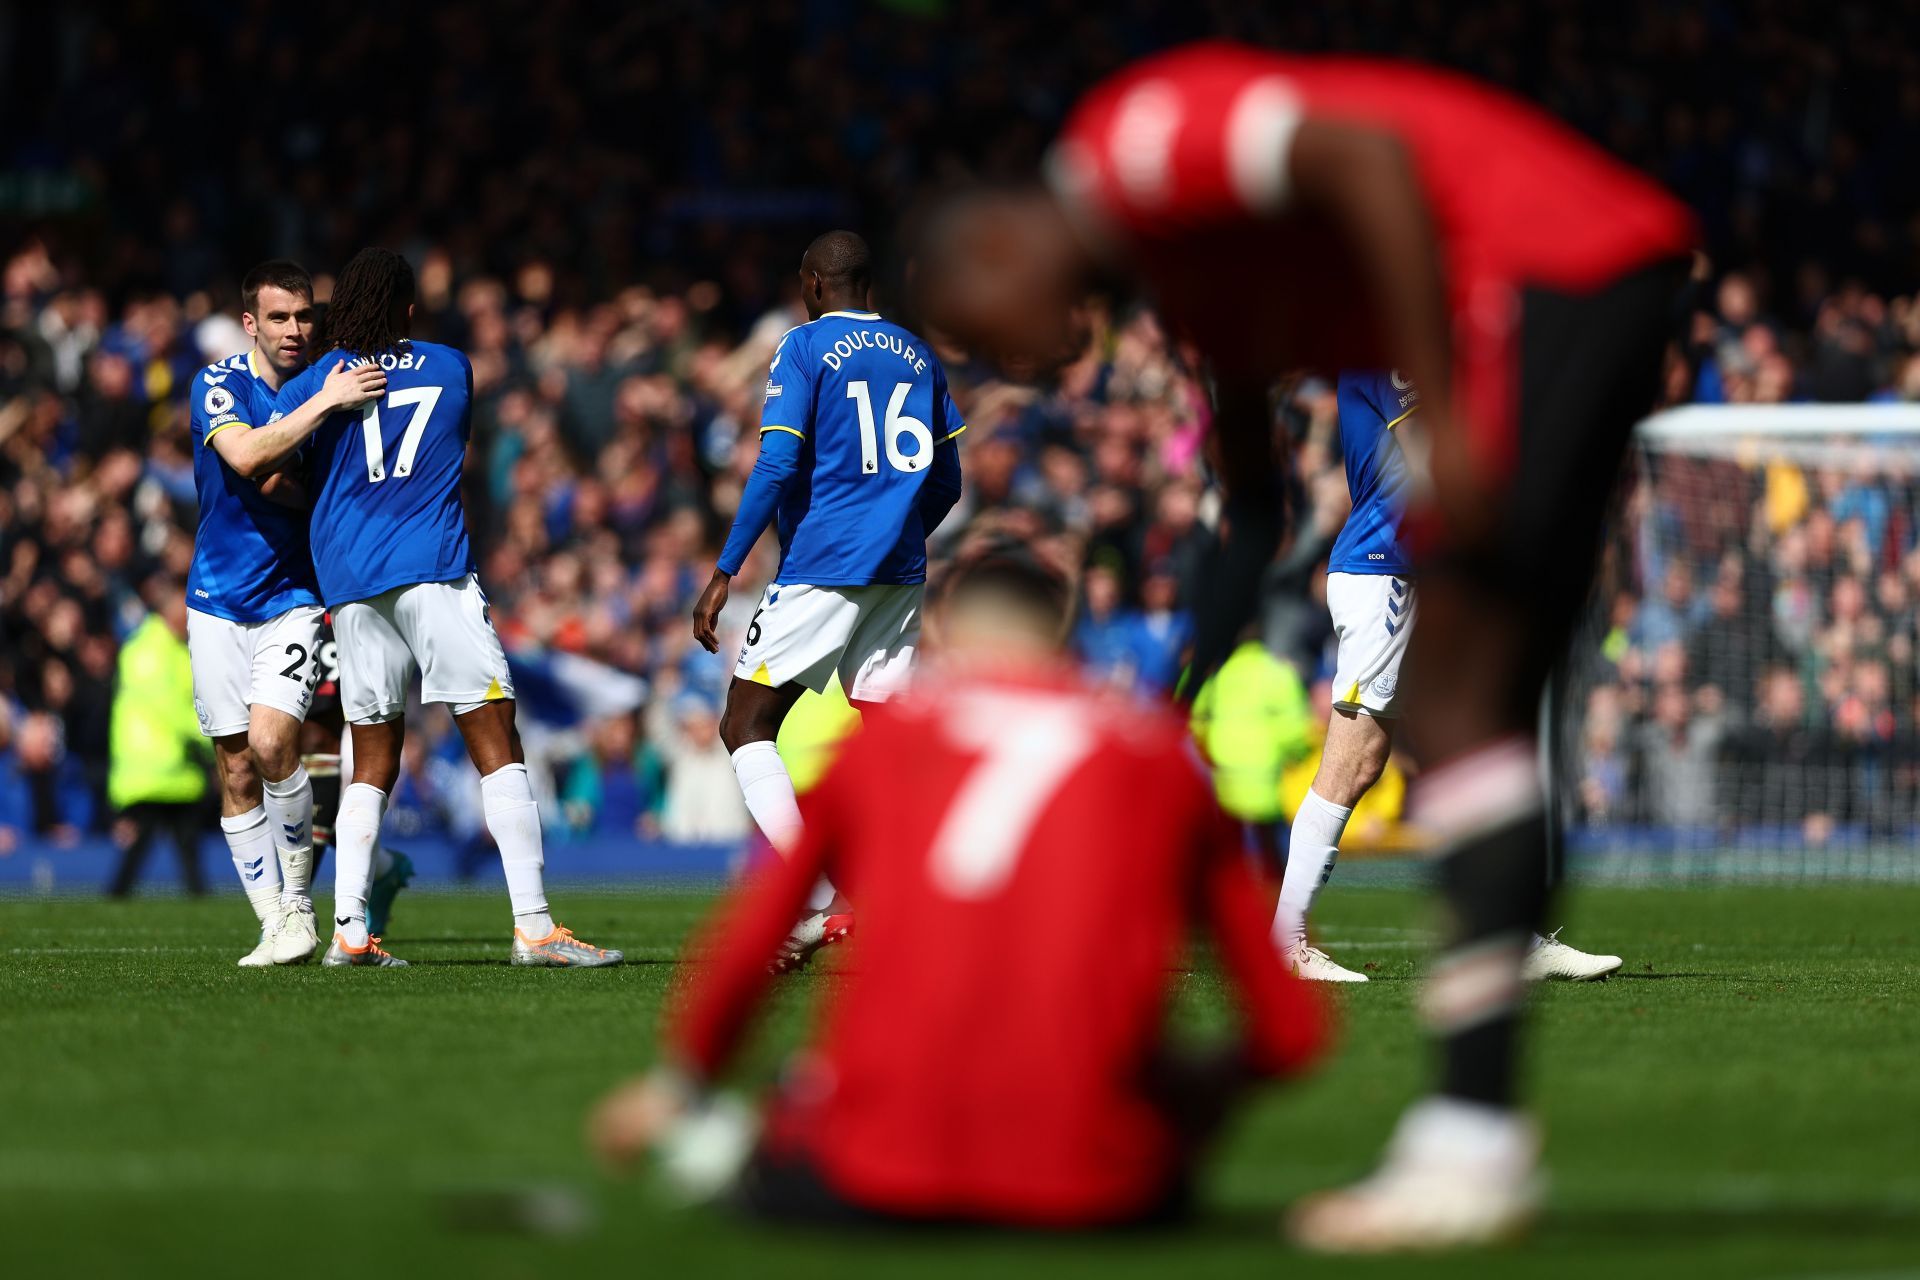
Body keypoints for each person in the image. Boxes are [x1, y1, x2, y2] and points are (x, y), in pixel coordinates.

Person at [919, 41, 1695, 1249]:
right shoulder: (1194, 286)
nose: (1019, 364)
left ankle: (1471, 1141)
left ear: (993, 248)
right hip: (1584, 273)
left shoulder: (1133, 142)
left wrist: (1439, 419)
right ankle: (1473, 1135)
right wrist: (1174, 688)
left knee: (1457, 708)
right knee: (1468, 719)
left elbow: (1370, 156)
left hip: (1550, 263)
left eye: (990, 334)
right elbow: (1253, 508)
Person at [594, 552, 1327, 1227]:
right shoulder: (1159, 757)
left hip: (882, 1173)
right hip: (1100, 1183)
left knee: (795, 1096)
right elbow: (1289, 1031)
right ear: (1066, 638)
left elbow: (753, 934)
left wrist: (681, 1085)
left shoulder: (884, 746)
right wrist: (1187, 1095)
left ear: (945, 637)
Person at [275, 247, 619, 968]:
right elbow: (450, 445)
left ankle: (348, 932)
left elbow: (285, 464)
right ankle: (532, 926)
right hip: (432, 568)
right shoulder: (448, 365)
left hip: (351, 583)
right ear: (407, 309)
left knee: (370, 754)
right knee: (495, 739)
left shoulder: (315, 382)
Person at [1275, 371, 1623, 985]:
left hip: (1427, 572)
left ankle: (1509, 935)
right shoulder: (1389, 351)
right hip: (1388, 570)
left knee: (1476, 747)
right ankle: (1286, 939)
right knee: (1354, 760)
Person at [691, 230, 964, 971]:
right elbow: (949, 481)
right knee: (891, 743)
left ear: (813, 284)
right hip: (899, 571)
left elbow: (777, 459)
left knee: (745, 725)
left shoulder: (804, 348)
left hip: (824, 562)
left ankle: (817, 901)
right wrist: (897, 527)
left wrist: (725, 567)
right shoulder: (919, 353)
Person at [185, 260, 388, 964]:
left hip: (295, 597)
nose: (295, 330)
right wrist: (321, 409)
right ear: (251, 324)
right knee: (235, 766)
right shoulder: (219, 384)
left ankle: (300, 904)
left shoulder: (335, 380)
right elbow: (246, 457)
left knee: (276, 745)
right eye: (279, 318)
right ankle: (275, 919)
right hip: (215, 598)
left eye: (305, 317)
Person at [107, 582, 210, 897]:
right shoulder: (148, 650)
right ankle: (114, 902)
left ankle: (116, 903)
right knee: (145, 850)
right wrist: (214, 739)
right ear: (169, 612)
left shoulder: (170, 648)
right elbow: (171, 708)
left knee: (183, 849)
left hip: (175, 772)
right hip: (153, 771)